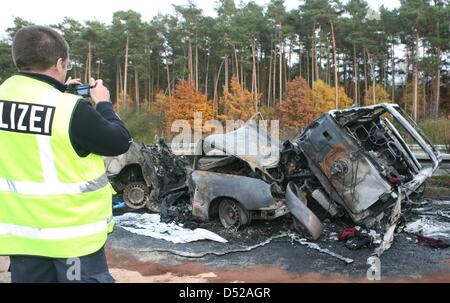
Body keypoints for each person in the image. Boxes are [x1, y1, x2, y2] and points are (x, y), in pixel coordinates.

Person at [0, 25, 132, 283]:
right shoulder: (71, 109)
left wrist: (58, 92)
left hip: (23, 239)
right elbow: (118, 141)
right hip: (72, 244)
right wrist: (103, 103)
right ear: (59, 63)